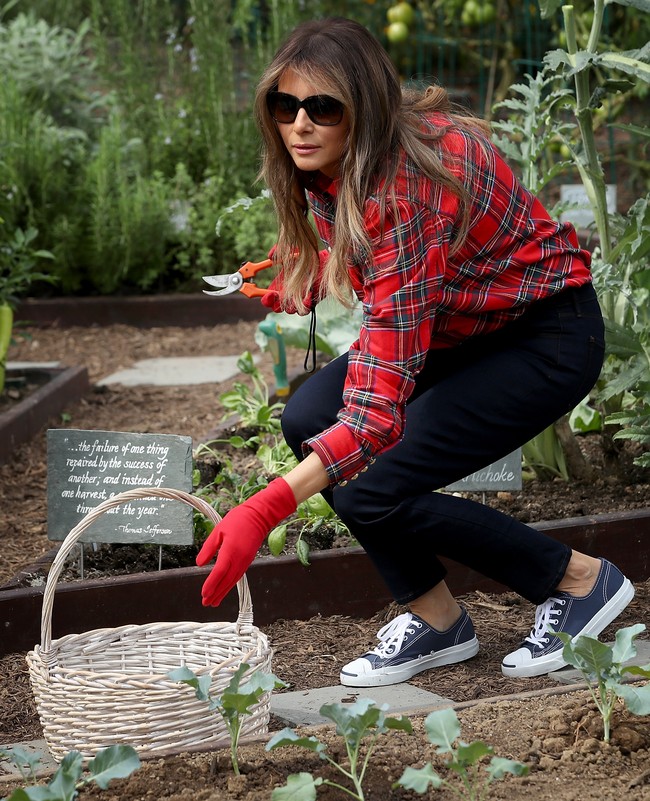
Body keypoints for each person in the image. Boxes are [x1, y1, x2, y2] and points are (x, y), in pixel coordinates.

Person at [196, 17, 634, 687]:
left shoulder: (404, 194)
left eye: (323, 107)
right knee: (308, 415)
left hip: (546, 335)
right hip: (462, 326)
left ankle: (579, 580)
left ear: (363, 108)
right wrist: (300, 272)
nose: (300, 125)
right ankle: (437, 621)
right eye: (285, 106)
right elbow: (384, 266)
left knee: (368, 480)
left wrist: (267, 504)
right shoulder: (348, 163)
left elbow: (374, 417)